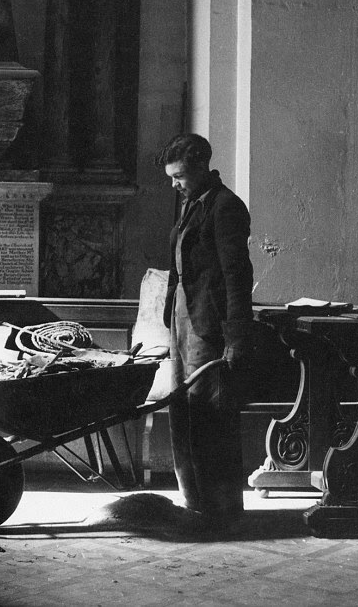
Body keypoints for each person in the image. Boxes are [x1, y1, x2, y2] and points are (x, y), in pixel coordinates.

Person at [158, 133, 254, 532]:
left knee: (211, 414)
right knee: (183, 408)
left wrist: (235, 337)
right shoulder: (190, 205)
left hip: (208, 324)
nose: (175, 184)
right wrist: (169, 313)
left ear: (201, 167)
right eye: (172, 177)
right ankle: (194, 502)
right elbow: (180, 268)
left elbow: (236, 275)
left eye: (179, 176)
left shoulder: (226, 207)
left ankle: (223, 509)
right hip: (182, 318)